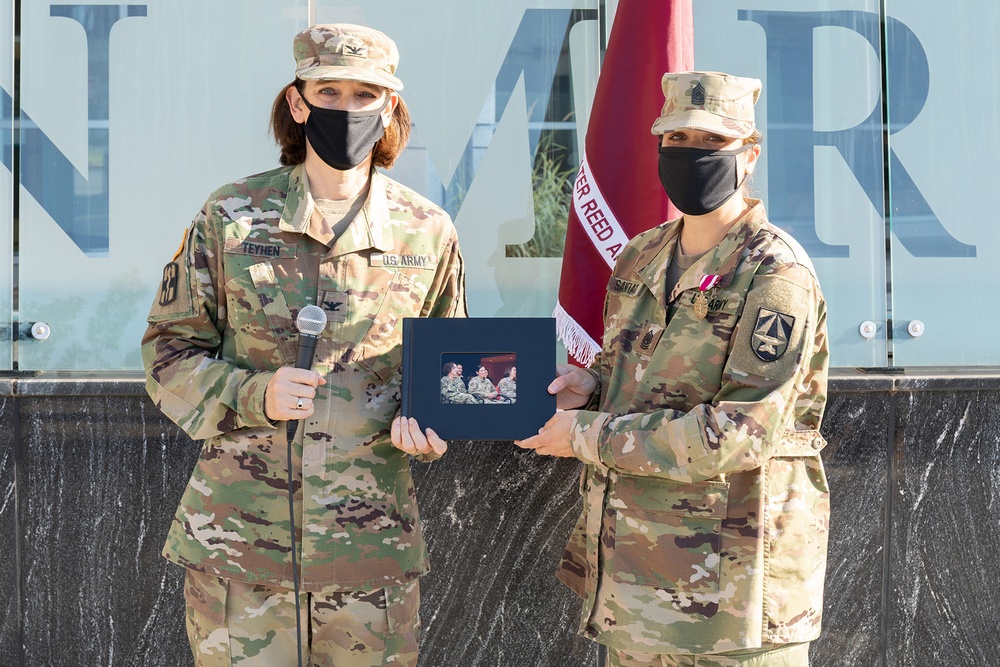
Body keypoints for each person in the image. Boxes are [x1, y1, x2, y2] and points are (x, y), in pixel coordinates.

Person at [141, 23, 466, 667]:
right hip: (240, 544)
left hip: (368, 551)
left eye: (364, 94)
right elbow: (167, 353)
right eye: (329, 90)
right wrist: (254, 393)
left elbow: (449, 371)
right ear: (298, 102)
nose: (345, 109)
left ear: (388, 109)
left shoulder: (426, 232)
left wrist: (435, 424)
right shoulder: (232, 215)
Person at [517, 71, 830, 666]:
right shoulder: (644, 253)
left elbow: (738, 434)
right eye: (678, 140)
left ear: (750, 156)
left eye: (713, 144)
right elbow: (632, 373)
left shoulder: (775, 274)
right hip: (636, 585)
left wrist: (584, 434)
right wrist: (590, 387)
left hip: (731, 600)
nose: (692, 155)